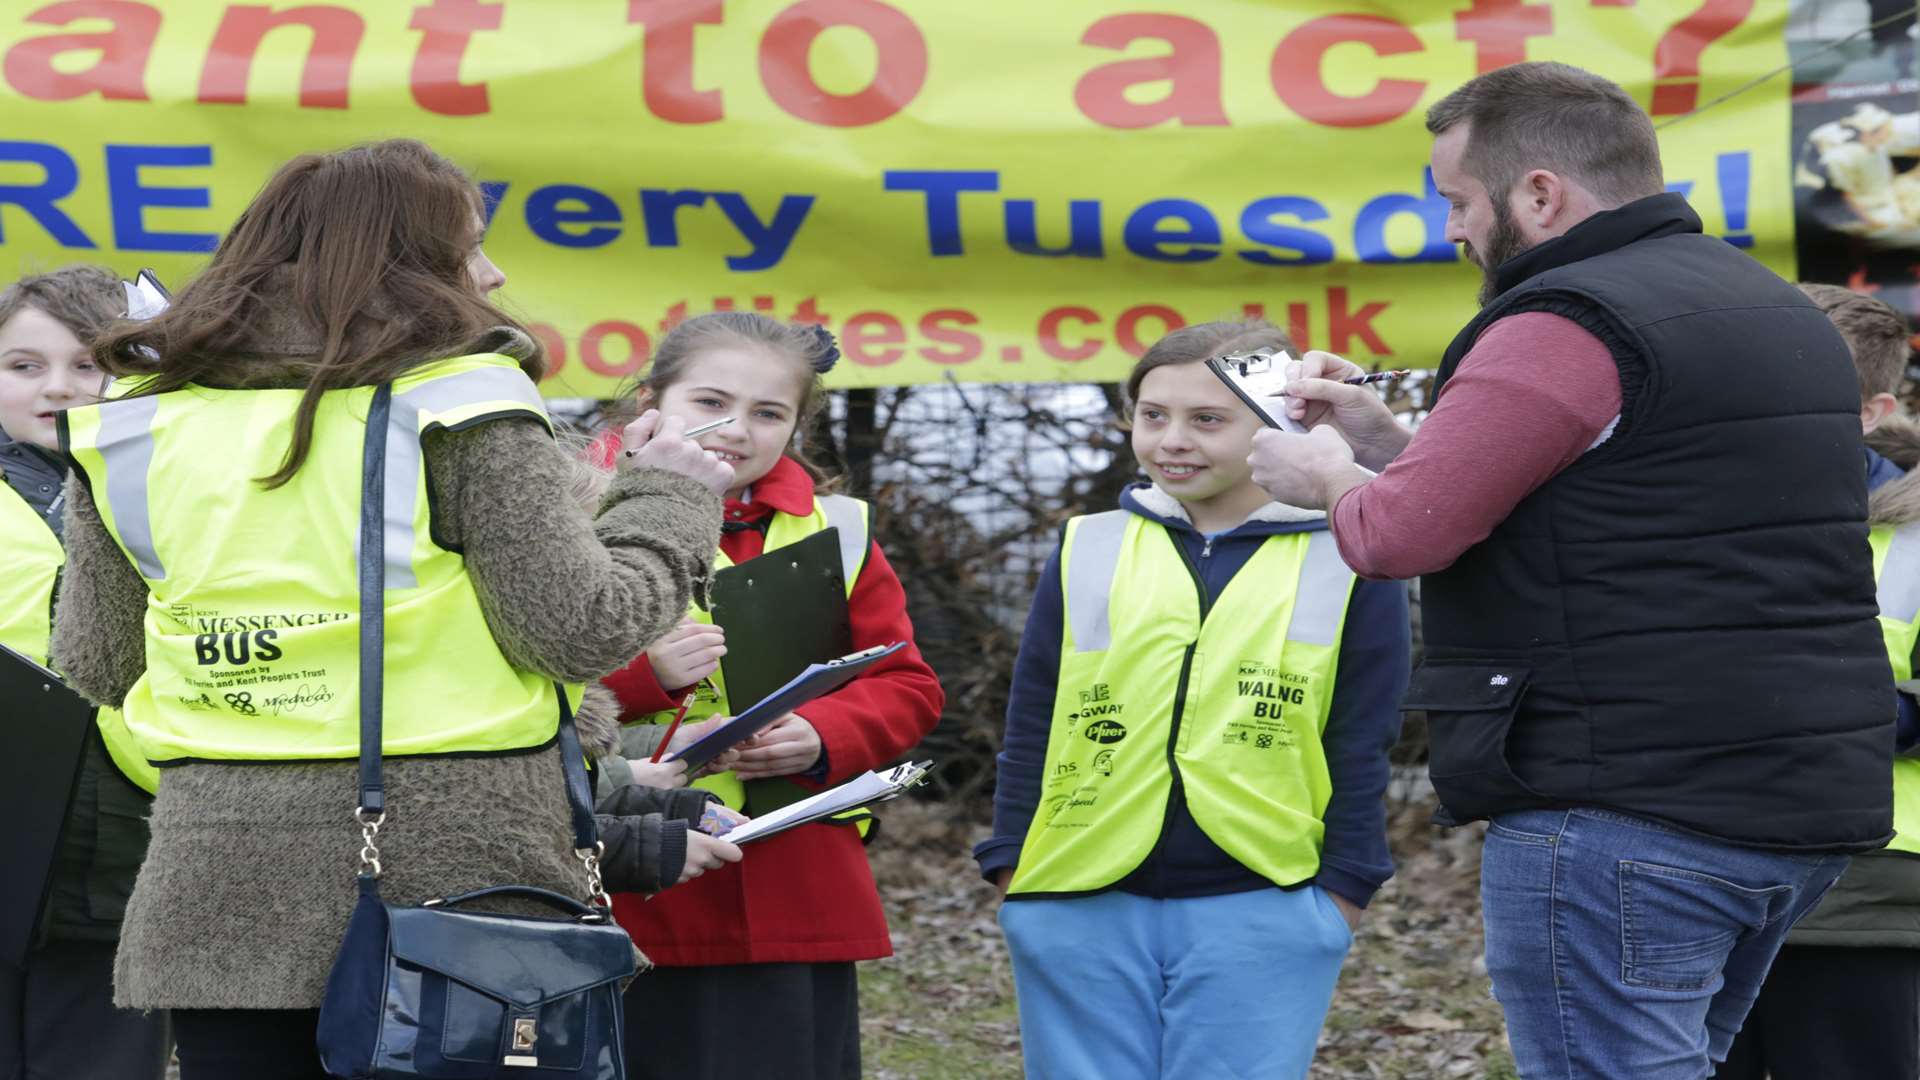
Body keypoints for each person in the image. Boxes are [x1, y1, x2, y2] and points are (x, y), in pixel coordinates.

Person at [1245, 62, 1894, 1078]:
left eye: (1457, 202)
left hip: (1626, 807)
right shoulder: (1776, 310)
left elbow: (1399, 537)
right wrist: (1380, 441)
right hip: (1795, 801)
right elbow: (1613, 496)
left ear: (1540, 193)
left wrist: (1323, 474)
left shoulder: (1563, 320)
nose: (1453, 230)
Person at [50, 138, 734, 1080]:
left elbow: (96, 663)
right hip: (458, 872)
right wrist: (666, 498)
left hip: (217, 883)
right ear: (404, 265)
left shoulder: (138, 419)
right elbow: (581, 627)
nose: (492, 274)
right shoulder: (461, 399)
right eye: (469, 246)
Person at [974, 320, 1409, 1079]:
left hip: (1267, 900)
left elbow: (1362, 736)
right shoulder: (1089, 545)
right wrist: (1014, 871)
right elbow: (1035, 717)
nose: (1172, 439)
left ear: (1279, 424)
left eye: (1207, 419)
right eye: (1153, 415)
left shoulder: (1350, 552)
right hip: (1075, 895)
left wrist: (1341, 893)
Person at [591, 311, 944, 1080]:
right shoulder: (572, 508)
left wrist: (822, 735)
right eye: (710, 403)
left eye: (767, 413)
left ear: (796, 426)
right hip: (623, 875)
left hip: (790, 883)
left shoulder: (838, 528)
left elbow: (906, 684)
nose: (735, 430)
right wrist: (642, 677)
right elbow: (511, 682)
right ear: (650, 399)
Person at [1717, 285, 1920, 1080]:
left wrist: (1814, 703)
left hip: (1860, 895)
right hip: (1689, 882)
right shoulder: (1686, 511)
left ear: (1872, 411)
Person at [0, 266, 169, 1080]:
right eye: (24, 366)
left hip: (128, 863)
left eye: (88, 365)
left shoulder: (186, 496)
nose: (58, 388)